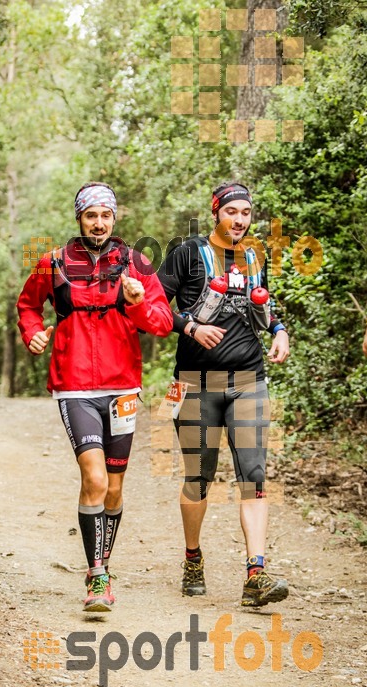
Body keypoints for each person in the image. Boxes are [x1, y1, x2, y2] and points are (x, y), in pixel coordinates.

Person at [17, 182, 172, 612]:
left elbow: (161, 322)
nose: (98, 223)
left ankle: (100, 564)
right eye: (91, 216)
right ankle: (98, 579)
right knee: (95, 480)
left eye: (105, 215)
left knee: (116, 488)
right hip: (74, 386)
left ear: (115, 218)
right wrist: (33, 333)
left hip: (122, 386)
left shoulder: (136, 264)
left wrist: (138, 304)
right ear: (79, 219)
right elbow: (28, 306)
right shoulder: (53, 263)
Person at [157, 181, 290, 607]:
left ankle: (256, 573)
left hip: (249, 379)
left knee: (252, 476)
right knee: (199, 478)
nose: (238, 219)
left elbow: (264, 306)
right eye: (231, 211)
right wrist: (191, 326)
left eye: (246, 213)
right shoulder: (188, 253)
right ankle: (192, 558)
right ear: (216, 212)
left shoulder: (254, 256)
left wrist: (279, 330)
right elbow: (154, 308)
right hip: (195, 384)